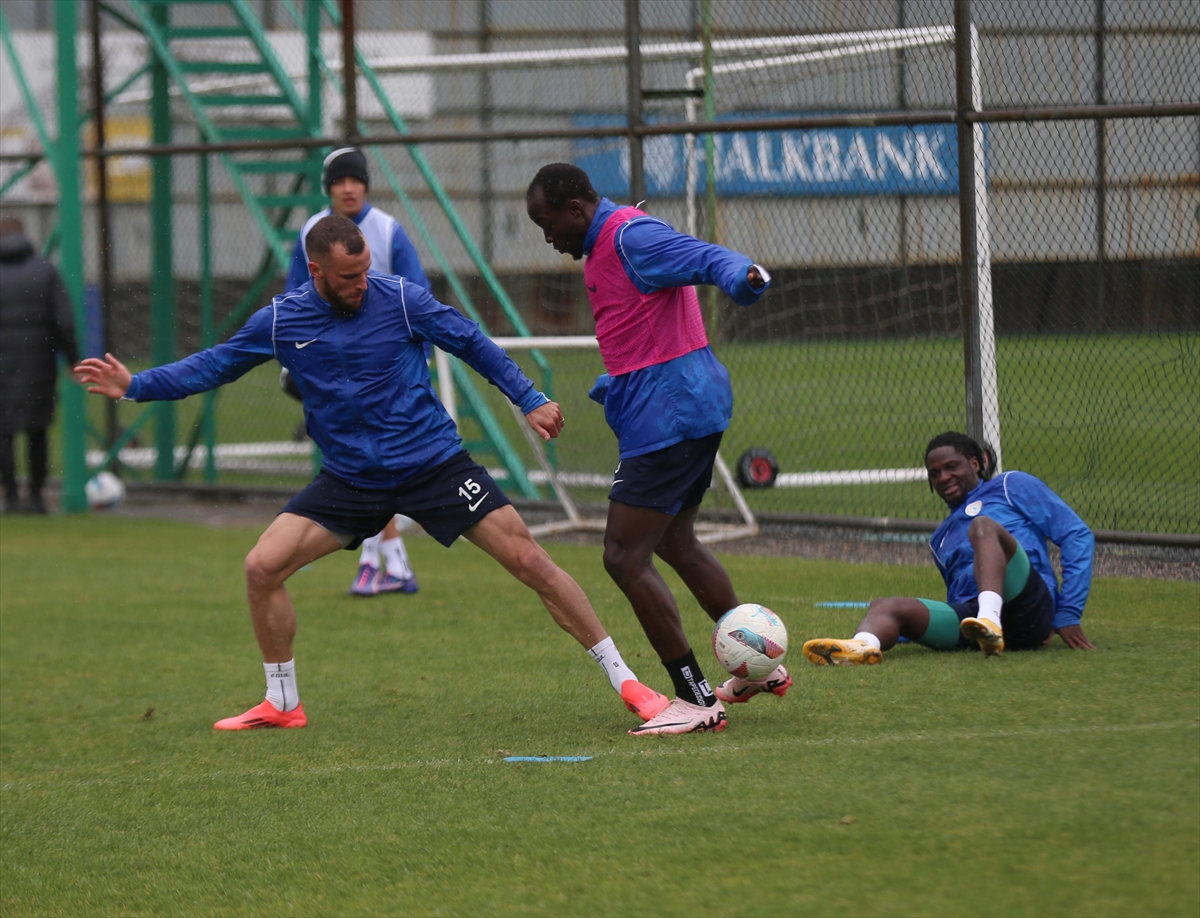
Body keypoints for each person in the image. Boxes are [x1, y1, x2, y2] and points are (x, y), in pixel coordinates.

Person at [76, 215, 669, 731]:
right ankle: (282, 702)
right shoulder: (282, 321)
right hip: (351, 480)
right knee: (261, 568)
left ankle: (629, 684)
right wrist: (135, 387)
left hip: (433, 463)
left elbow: (470, 342)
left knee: (531, 562)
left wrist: (529, 396)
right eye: (347, 279)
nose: (361, 286)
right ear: (315, 272)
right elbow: (213, 366)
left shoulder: (401, 299)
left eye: (364, 274)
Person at [525, 163, 787, 736]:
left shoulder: (628, 234)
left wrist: (743, 274)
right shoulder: (608, 241)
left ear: (575, 210)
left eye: (548, 225)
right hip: (683, 408)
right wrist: (616, 384)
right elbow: (640, 329)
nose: (548, 239)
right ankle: (758, 664)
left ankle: (695, 699)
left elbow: (702, 256)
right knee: (675, 539)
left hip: (669, 417)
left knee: (623, 556)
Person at [802, 431, 1096, 666]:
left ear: (976, 463)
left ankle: (989, 621)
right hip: (974, 623)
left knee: (983, 527)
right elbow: (956, 597)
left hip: (1027, 610)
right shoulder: (939, 538)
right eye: (934, 473)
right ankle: (860, 646)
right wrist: (911, 627)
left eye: (951, 467)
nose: (943, 477)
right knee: (886, 605)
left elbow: (1076, 535)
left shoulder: (1010, 486)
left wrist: (1068, 612)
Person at [286, 146, 429, 597]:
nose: (348, 187)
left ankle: (381, 561)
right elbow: (294, 302)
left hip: (387, 377)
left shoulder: (387, 231)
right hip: (333, 374)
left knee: (372, 463)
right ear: (328, 187)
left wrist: (412, 364)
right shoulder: (311, 232)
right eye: (339, 180)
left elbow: (418, 299)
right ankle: (387, 561)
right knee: (363, 463)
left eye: (356, 179)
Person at [0, 216, 78, 514]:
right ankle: (35, 496)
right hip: (39, 367)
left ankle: (10, 497)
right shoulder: (45, 272)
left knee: (3, 433)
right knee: (37, 430)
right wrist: (72, 358)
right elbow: (64, 320)